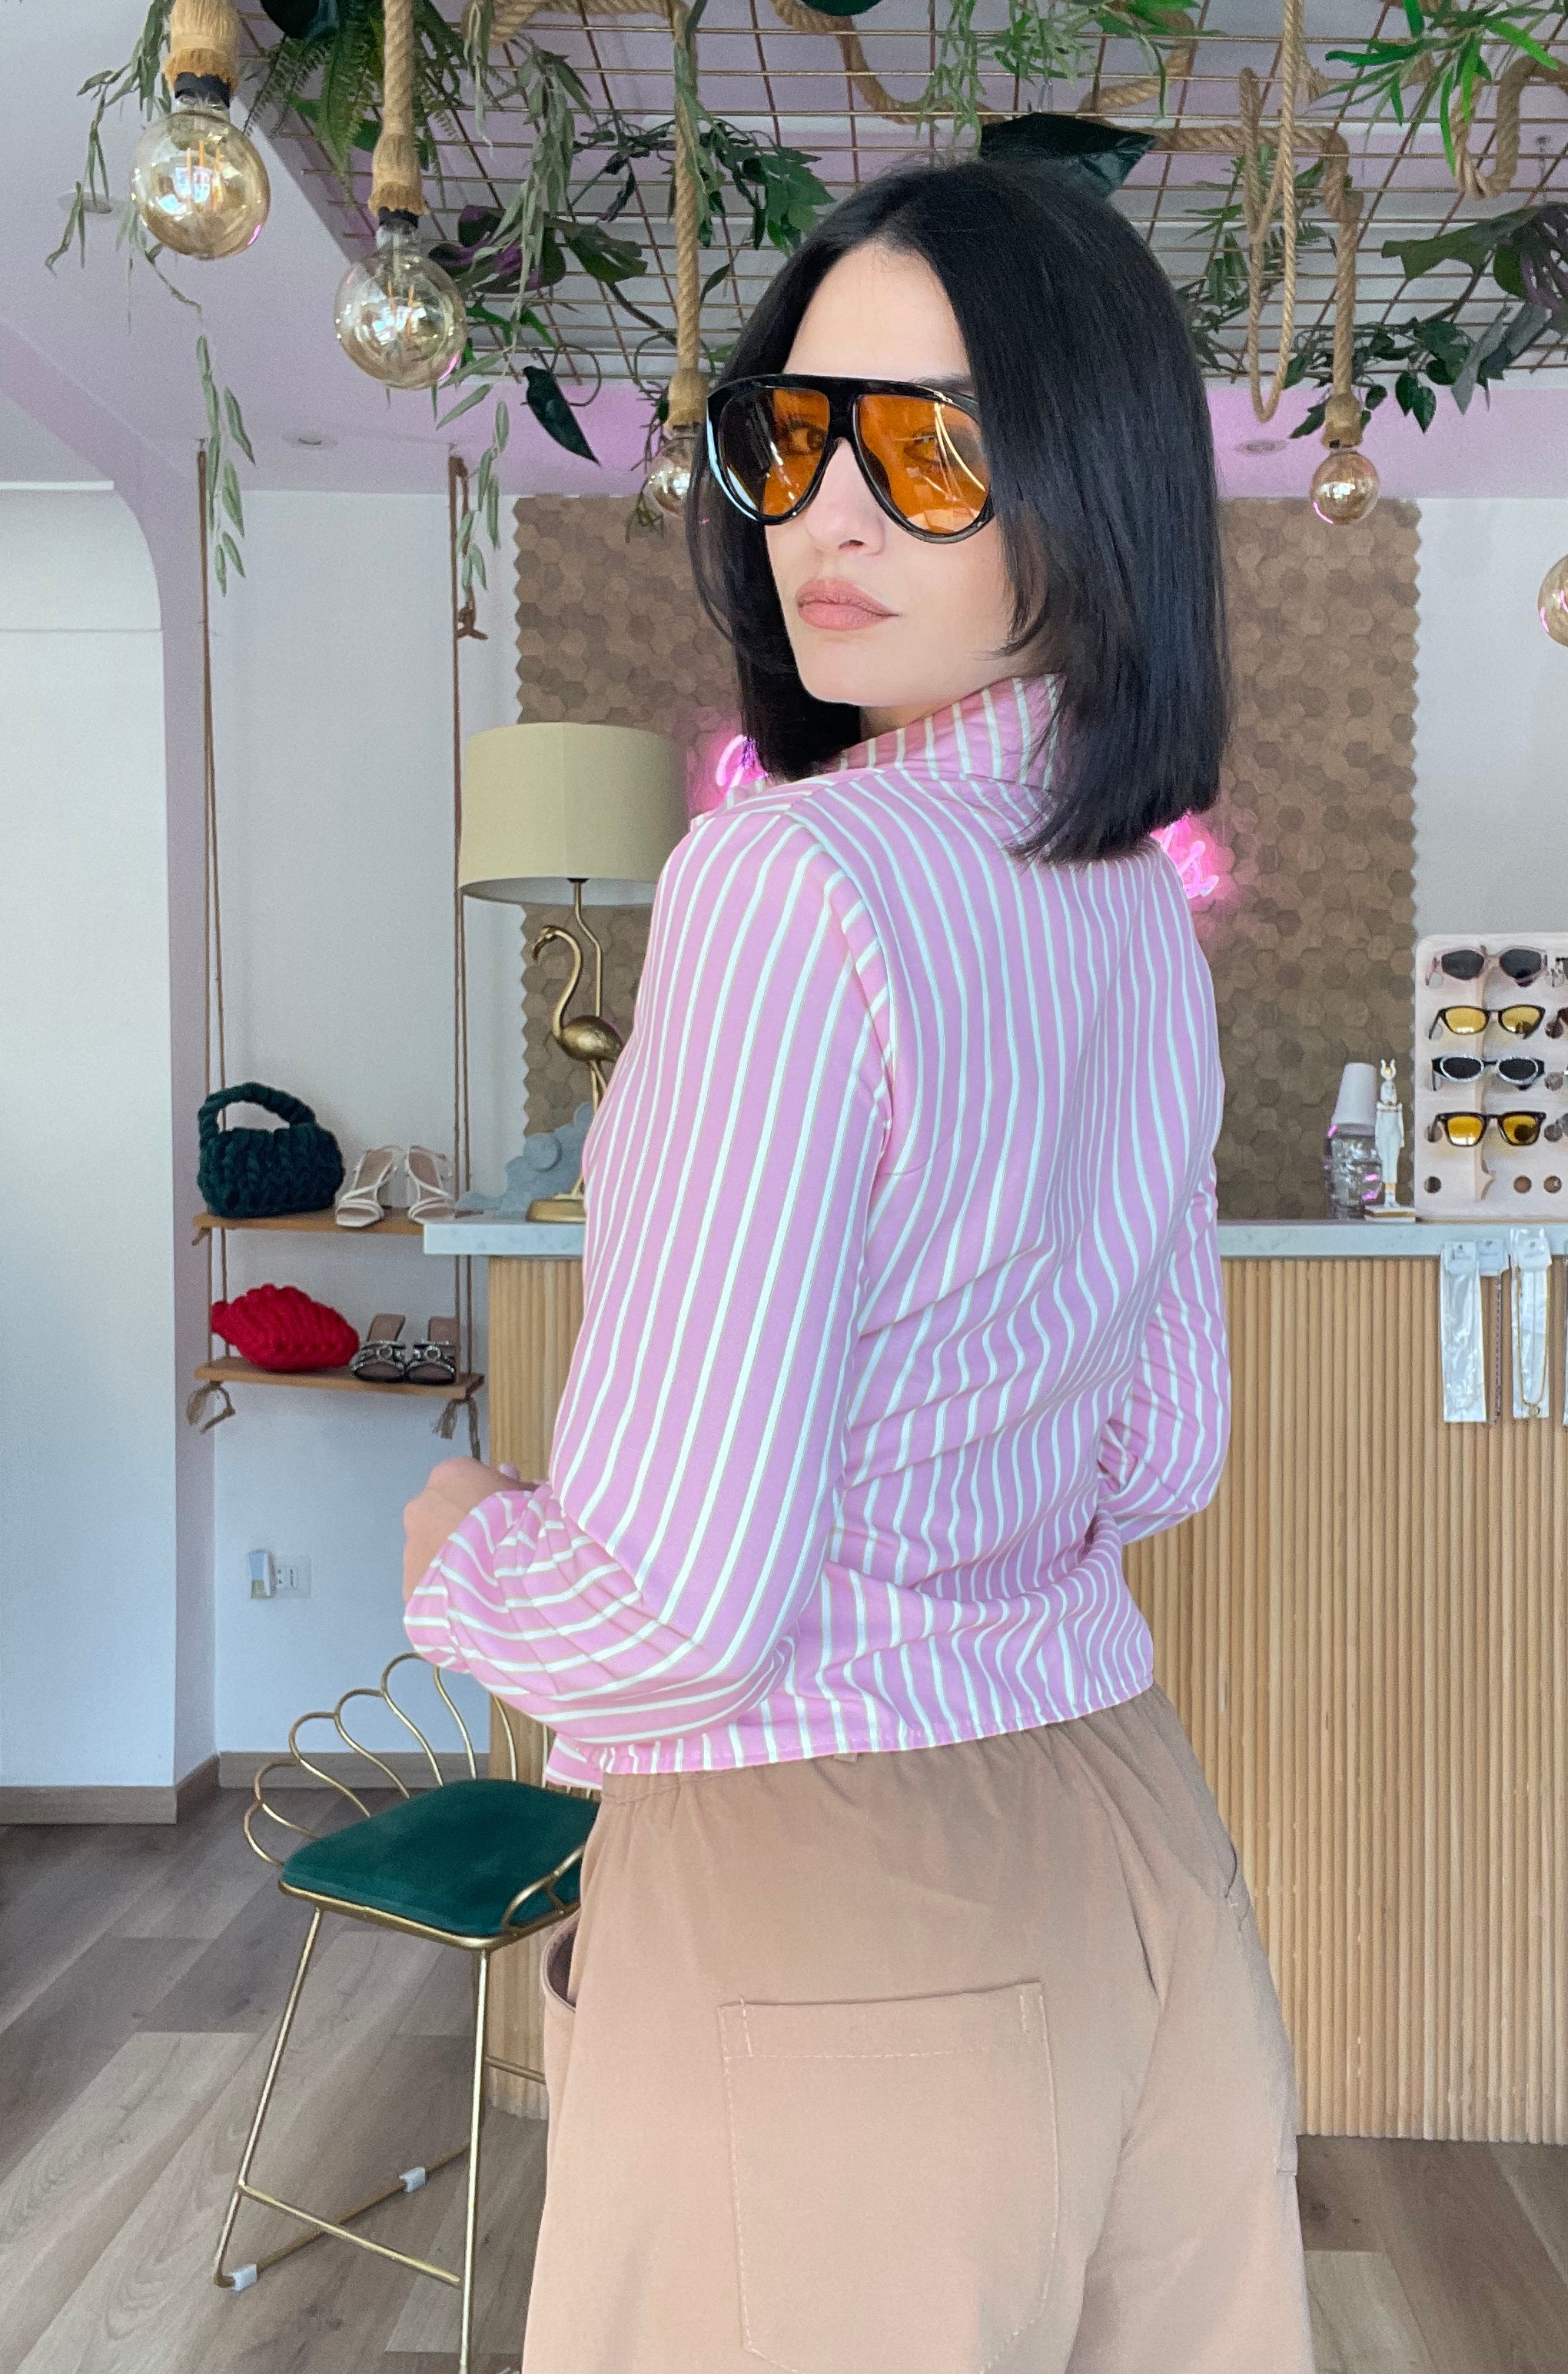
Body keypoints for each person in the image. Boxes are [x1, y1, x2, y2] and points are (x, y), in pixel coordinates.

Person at [402, 158, 1313, 2374]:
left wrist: (454, 1550)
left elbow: (677, 1616)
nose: (830, 509)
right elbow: (1165, 1451)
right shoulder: (1136, 908)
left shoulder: (784, 885)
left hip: (822, 1898)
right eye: (792, 436)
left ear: (1086, 489)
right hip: (1133, 1848)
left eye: (930, 449)